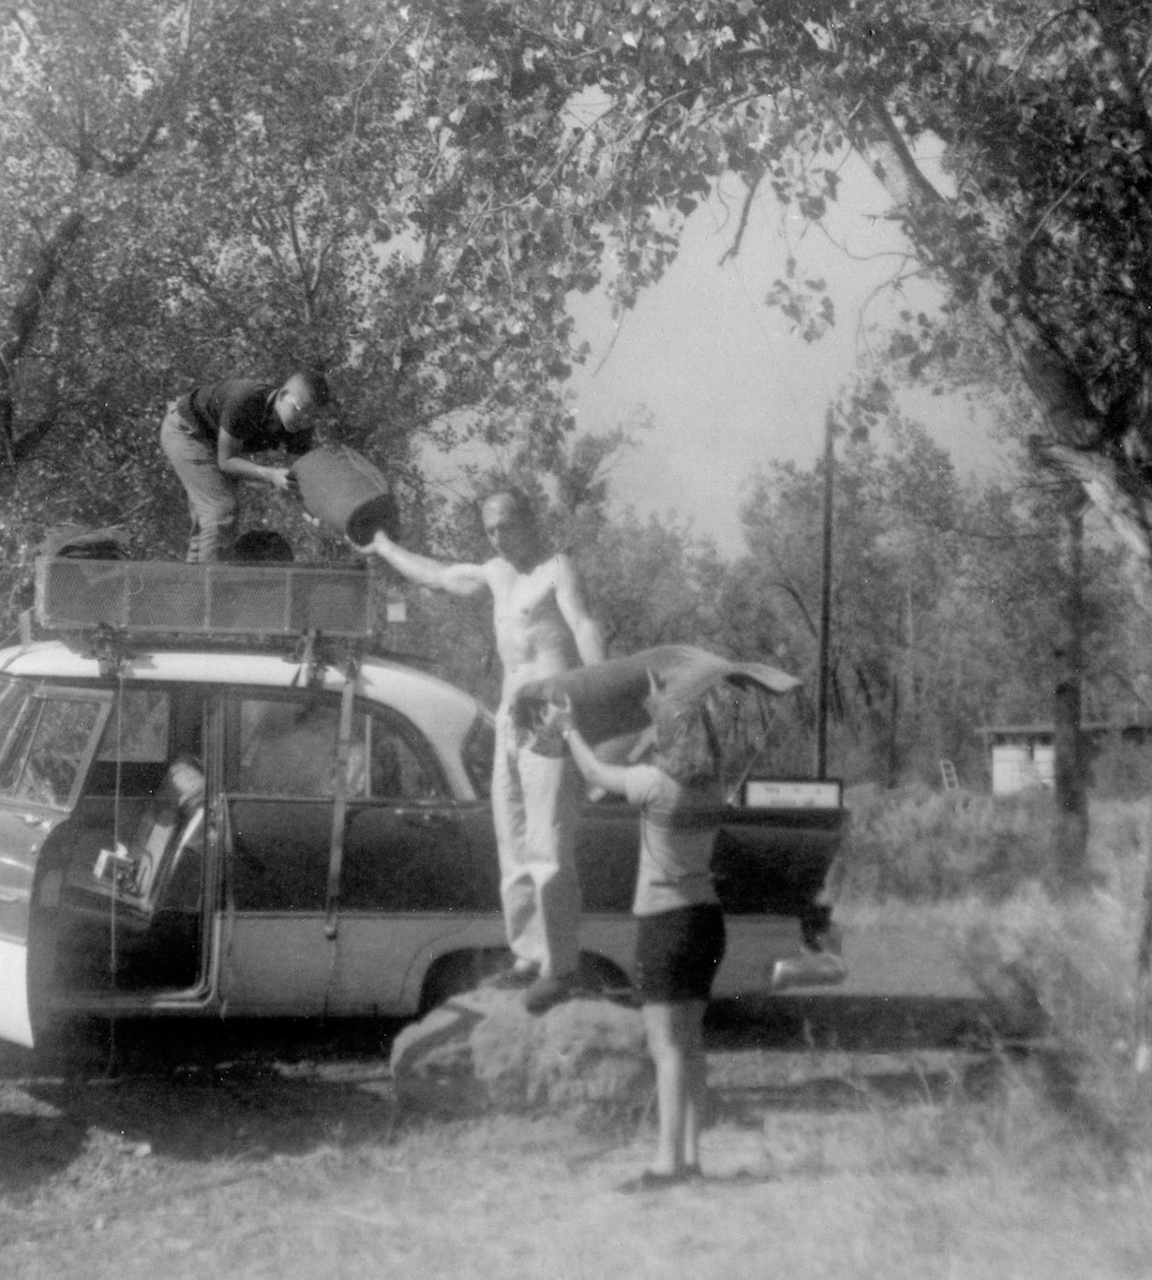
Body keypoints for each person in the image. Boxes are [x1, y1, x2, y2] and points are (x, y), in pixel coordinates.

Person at [358, 490, 605, 1012]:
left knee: (550, 848)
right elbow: (437, 576)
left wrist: (601, 699)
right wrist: (382, 546)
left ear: (531, 522)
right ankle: (528, 956)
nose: (499, 537)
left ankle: (560, 966)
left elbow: (584, 626)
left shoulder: (557, 569)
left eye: (508, 526)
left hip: (552, 718)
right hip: (512, 721)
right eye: (491, 529)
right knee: (512, 844)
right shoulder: (496, 573)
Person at [544, 687, 728, 1191]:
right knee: (690, 1045)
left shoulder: (654, 783)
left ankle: (666, 1164)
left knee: (665, 1047)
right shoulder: (716, 786)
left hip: (664, 922)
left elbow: (597, 774)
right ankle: (690, 1156)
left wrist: (567, 730)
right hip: (706, 920)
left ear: (667, 735)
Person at [159, 370, 330, 562]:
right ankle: (214, 586)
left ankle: (194, 586)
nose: (304, 421)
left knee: (210, 520)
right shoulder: (246, 400)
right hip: (187, 431)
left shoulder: (300, 426)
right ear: (283, 396)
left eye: (312, 417)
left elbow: (301, 476)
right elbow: (226, 462)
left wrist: (314, 511)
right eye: (301, 411)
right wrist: (271, 475)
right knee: (220, 510)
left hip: (214, 441)